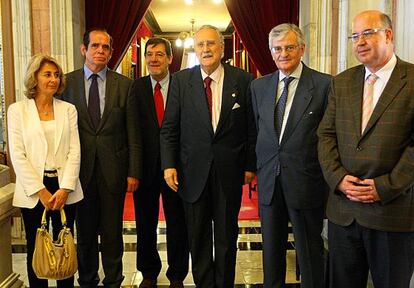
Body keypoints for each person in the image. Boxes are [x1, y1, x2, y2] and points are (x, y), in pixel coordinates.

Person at [318, 10, 414, 288]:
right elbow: (325, 134)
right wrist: (337, 178)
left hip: (391, 213)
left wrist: (385, 186)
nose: (359, 41)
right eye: (354, 36)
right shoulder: (342, 82)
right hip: (343, 213)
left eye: (367, 33)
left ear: (388, 35)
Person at [160, 25, 256, 287]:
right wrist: (169, 165)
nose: (206, 49)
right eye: (200, 44)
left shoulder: (243, 80)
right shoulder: (181, 81)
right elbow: (169, 128)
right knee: (198, 237)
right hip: (192, 173)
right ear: (195, 48)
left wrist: (250, 166)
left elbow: (251, 128)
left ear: (222, 48)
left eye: (211, 44)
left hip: (229, 172)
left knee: (226, 237)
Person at [250, 24, 330, 288]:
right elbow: (256, 131)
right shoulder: (259, 87)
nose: (283, 53)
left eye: (289, 47)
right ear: (271, 52)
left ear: (302, 49)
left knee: (309, 252)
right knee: (271, 251)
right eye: (277, 48)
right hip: (270, 183)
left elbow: (329, 136)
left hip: (306, 182)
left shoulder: (323, 85)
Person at [61, 28, 142, 288]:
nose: (100, 51)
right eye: (95, 46)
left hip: (114, 171)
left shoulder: (124, 85)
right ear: (84, 49)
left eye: (105, 47)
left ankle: (114, 280)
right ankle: (87, 280)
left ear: (111, 52)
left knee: (112, 233)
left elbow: (133, 133)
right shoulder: (66, 83)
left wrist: (133, 171)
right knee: (84, 233)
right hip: (78, 173)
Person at [8, 54, 83, 288]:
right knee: (36, 246)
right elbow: (17, 155)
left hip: (64, 188)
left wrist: (64, 188)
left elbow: (75, 151)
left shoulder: (68, 109)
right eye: (47, 74)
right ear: (34, 78)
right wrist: (40, 191)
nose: (53, 79)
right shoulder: (17, 111)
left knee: (66, 245)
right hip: (34, 190)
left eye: (56, 75)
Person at [132, 37, 189, 288]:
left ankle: (177, 273)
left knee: (178, 221)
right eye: (149, 54)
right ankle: (148, 272)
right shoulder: (136, 88)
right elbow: (131, 131)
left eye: (159, 54)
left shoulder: (182, 86)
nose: (153, 59)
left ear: (169, 58)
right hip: (145, 168)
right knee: (145, 221)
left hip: (176, 167)